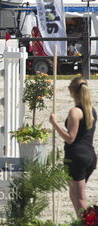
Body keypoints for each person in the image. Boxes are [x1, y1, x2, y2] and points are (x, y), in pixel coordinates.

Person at [50, 77, 97, 217]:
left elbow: (70, 138)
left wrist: (55, 124)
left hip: (77, 157)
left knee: (80, 196)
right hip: (90, 156)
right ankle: (80, 220)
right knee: (73, 193)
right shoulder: (92, 111)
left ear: (72, 91)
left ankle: (86, 223)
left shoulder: (75, 111)